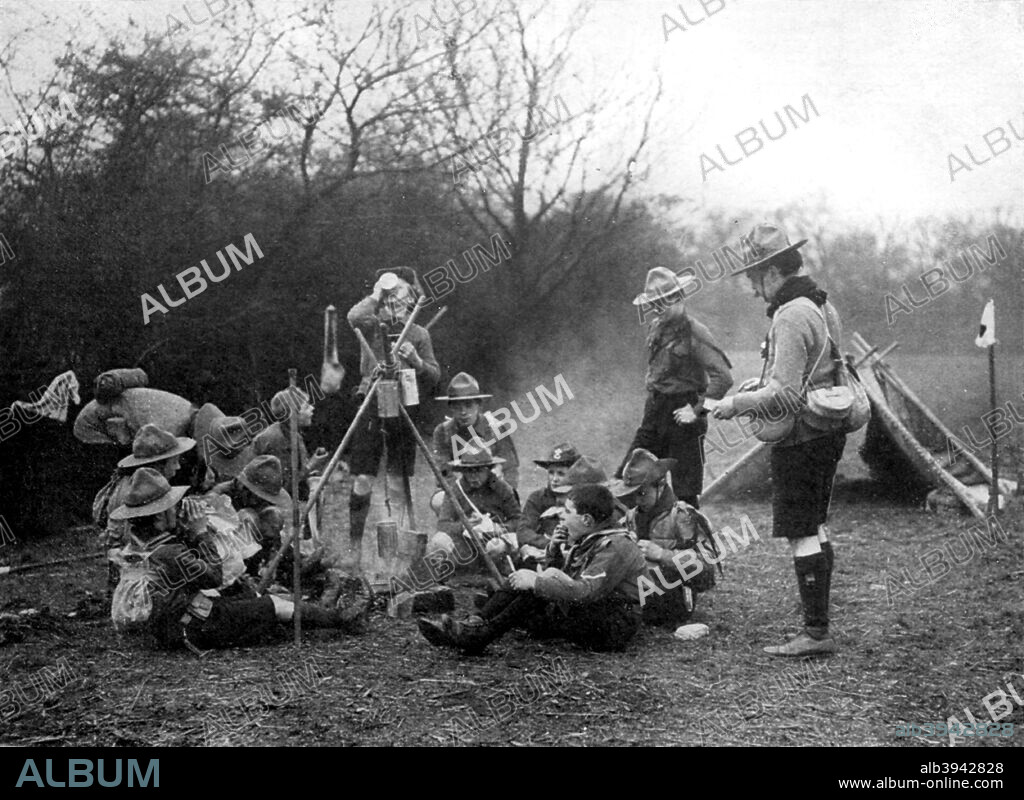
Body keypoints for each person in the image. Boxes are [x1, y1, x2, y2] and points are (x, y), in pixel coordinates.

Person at [712, 222, 845, 657]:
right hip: (825, 431)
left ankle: (816, 633)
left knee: (801, 530)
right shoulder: (821, 304)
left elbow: (787, 394)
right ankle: (818, 626)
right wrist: (760, 383)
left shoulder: (790, 315)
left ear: (771, 272)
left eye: (754, 279)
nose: (753, 290)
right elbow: (819, 370)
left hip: (801, 436)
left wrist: (735, 404)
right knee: (816, 525)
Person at [107, 468, 369, 651]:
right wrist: (200, 533)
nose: (178, 509)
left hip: (175, 622)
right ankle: (340, 619)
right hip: (192, 626)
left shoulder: (139, 545)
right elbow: (213, 576)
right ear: (159, 517)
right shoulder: (169, 552)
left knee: (251, 600)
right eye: (172, 507)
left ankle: (317, 613)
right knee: (273, 605)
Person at [417, 484, 646, 654]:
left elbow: (584, 592)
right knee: (526, 587)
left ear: (586, 520)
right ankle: (474, 624)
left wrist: (537, 582)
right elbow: (564, 580)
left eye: (567, 513)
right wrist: (554, 549)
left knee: (533, 592)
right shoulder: (592, 536)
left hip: (613, 625)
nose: (561, 518)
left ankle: (478, 634)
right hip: (592, 613)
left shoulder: (616, 545)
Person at [617, 267, 733, 507]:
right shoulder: (656, 328)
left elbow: (723, 377)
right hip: (655, 412)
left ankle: (691, 543)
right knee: (628, 479)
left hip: (684, 416)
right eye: (655, 303)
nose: (659, 307)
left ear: (679, 297)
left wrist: (698, 410)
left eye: (666, 301)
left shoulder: (695, 332)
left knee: (685, 495)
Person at [345, 268, 440, 560]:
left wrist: (416, 361)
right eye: (390, 295)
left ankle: (398, 548)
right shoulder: (372, 323)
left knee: (399, 481)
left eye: (401, 294)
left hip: (404, 406)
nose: (394, 301)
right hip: (371, 403)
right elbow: (352, 318)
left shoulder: (419, 334)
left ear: (412, 298)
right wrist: (377, 292)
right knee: (362, 478)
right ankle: (355, 547)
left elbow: (435, 378)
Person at [610, 448, 718, 627]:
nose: (637, 500)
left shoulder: (683, 515)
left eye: (642, 493)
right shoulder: (630, 517)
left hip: (674, 598)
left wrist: (662, 554)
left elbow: (707, 569)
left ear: (660, 486)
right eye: (633, 494)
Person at [95, 424, 197, 596]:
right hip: (141, 582)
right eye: (174, 461)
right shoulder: (135, 496)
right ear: (158, 464)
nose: (178, 467)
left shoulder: (136, 486)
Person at [427, 446, 522, 570]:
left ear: (488, 469)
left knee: (496, 547)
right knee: (438, 541)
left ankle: (498, 573)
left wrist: (498, 528)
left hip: (493, 541)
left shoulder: (502, 489)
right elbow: (443, 524)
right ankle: (446, 576)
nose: (473, 476)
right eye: (468, 471)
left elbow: (518, 520)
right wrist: (465, 525)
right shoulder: (456, 490)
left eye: (478, 471)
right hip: (464, 543)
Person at [430, 372, 520, 499]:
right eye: (457, 406)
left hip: (493, 489)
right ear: (450, 407)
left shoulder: (495, 427)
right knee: (439, 500)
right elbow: (443, 472)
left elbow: (510, 468)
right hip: (458, 491)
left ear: (479, 405)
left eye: (468, 405)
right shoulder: (442, 431)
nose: (463, 412)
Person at [251, 389, 328, 499]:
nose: (312, 408)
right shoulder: (277, 440)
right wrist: (312, 465)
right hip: (263, 496)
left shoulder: (293, 434)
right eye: (306, 407)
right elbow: (285, 487)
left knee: (317, 486)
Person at [515, 443, 579, 556]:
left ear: (573, 475)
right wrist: (550, 545)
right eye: (551, 472)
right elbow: (523, 531)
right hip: (542, 550)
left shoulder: (580, 499)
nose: (554, 479)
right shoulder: (537, 497)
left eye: (561, 474)